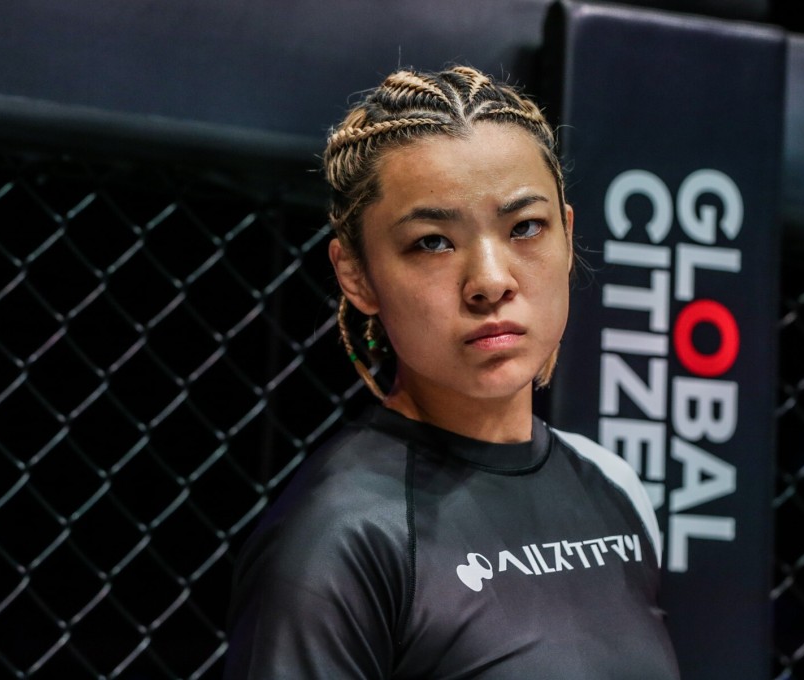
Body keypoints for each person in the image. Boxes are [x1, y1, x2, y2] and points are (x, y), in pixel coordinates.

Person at [224, 65, 679, 679]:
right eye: (433, 242)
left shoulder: (614, 485)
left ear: (567, 236)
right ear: (356, 274)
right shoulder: (340, 538)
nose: (491, 281)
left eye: (525, 228)